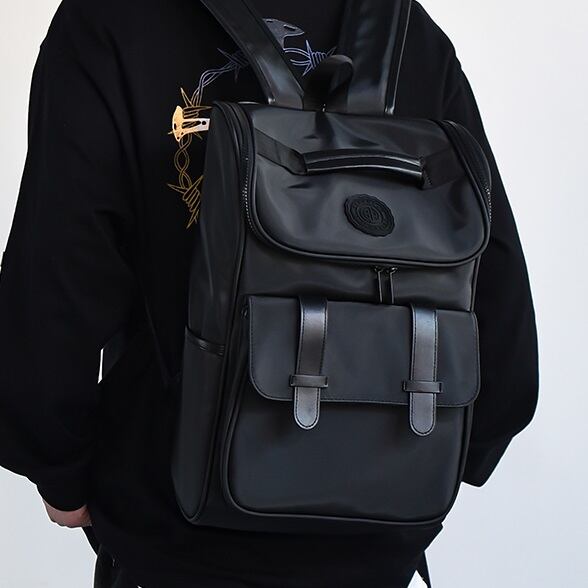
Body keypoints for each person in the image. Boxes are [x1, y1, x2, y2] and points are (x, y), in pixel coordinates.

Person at [0, 0, 538, 586]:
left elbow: (57, 276)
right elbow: (495, 285)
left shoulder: (111, 21)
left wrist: (58, 467)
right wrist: (448, 459)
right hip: (376, 533)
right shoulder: (406, 29)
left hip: (173, 531)